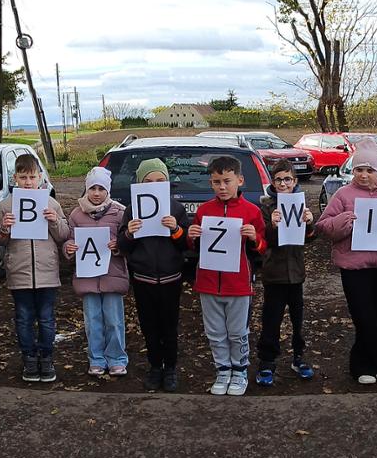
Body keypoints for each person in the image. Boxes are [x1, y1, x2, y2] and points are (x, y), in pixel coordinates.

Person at [315, 137, 377, 386]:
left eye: (370, 170)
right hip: (352, 266)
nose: (364, 175)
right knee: (362, 315)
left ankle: (365, 366)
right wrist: (343, 222)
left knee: (375, 316)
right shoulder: (343, 194)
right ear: (353, 170)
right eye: (359, 169)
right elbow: (323, 225)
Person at [186, 156, 268, 396]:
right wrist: (192, 236)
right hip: (208, 282)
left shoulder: (251, 211)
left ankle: (239, 370)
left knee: (237, 331)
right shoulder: (204, 210)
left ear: (239, 180)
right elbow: (194, 246)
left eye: (226, 181)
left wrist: (254, 238)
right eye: (216, 182)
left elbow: (263, 248)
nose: (222, 187)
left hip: (238, 284)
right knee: (215, 332)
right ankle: (222, 370)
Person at [0, 155, 72, 383]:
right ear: (15, 178)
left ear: (40, 178)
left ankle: (47, 357)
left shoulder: (51, 204)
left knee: (47, 318)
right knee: (23, 318)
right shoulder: (6, 205)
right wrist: (5, 229)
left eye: (32, 177)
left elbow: (63, 235)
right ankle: (29, 357)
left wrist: (54, 220)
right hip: (19, 273)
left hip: (47, 272)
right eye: (23, 177)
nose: (28, 182)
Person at [120, 158, 192, 392]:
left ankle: (170, 368)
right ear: (140, 183)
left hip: (171, 278)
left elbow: (186, 244)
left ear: (167, 182)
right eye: (148, 181)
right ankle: (154, 367)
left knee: (169, 327)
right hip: (143, 278)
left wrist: (176, 229)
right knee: (149, 327)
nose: (153, 185)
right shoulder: (132, 210)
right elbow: (122, 246)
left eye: (159, 181)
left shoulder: (176, 209)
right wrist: (129, 234)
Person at [65, 167, 130, 378]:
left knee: (114, 320)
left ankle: (117, 358)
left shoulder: (119, 212)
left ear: (107, 190)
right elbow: (69, 239)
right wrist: (69, 248)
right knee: (92, 320)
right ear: (86, 188)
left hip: (112, 274)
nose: (96, 193)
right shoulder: (76, 214)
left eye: (101, 188)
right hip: (87, 276)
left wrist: (118, 246)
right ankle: (96, 358)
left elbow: (127, 241)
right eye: (92, 188)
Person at [256, 161, 317, 385]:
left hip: (296, 273)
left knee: (298, 319)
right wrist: (272, 225)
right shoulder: (265, 207)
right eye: (279, 179)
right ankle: (267, 361)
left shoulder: (300, 203)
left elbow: (310, 238)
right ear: (273, 182)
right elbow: (265, 241)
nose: (283, 184)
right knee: (271, 319)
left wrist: (310, 225)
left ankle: (299, 357)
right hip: (274, 273)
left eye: (287, 179)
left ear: (295, 181)